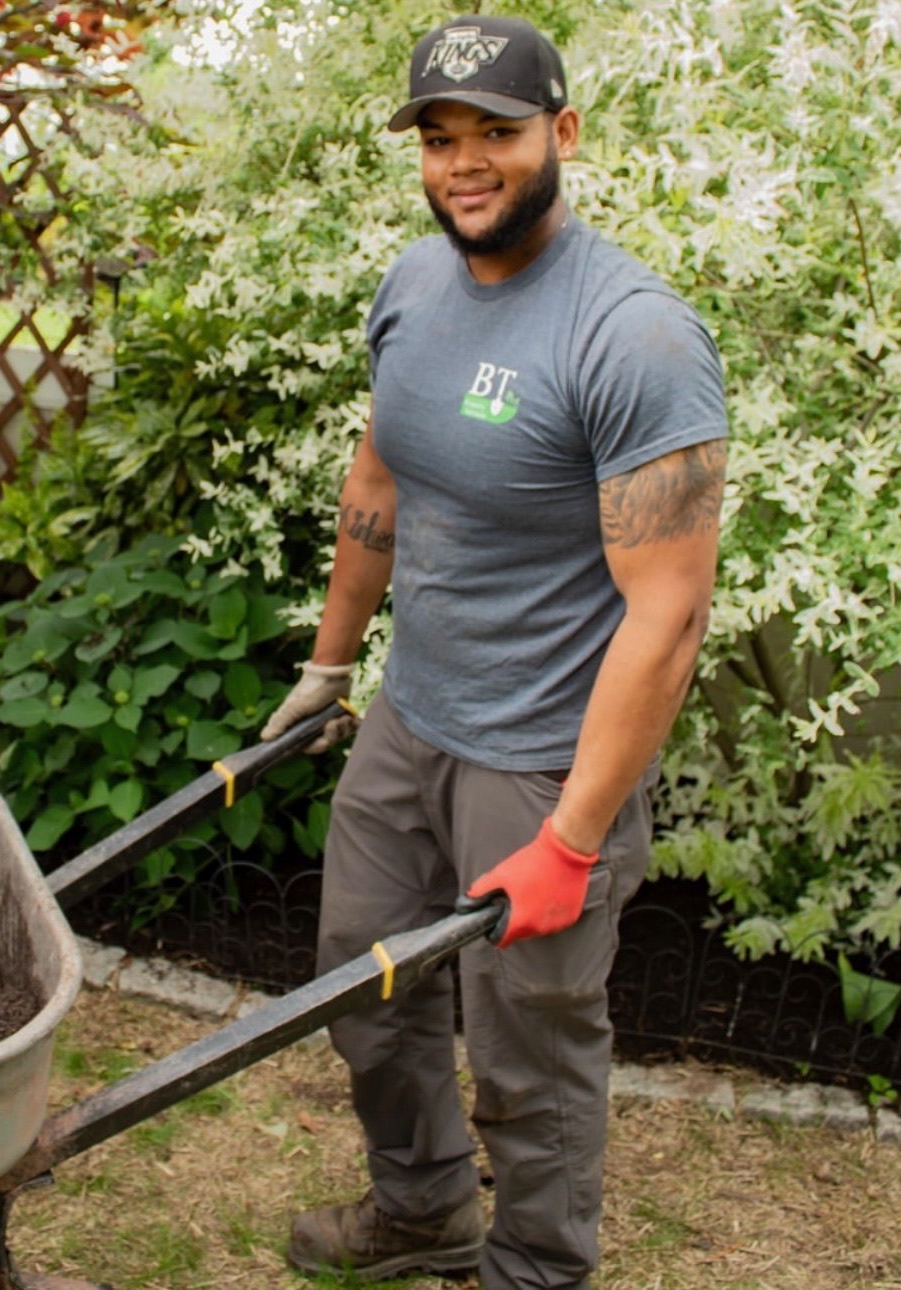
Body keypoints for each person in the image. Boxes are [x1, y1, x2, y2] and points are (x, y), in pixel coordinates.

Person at [258, 13, 729, 1289]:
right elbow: (383, 472)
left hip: (541, 760)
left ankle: (535, 1265)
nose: (467, 162)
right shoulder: (413, 285)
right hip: (410, 722)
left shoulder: (635, 337)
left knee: (533, 1047)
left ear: (562, 134)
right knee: (364, 992)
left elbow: (668, 614)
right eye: (441, 137)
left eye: (499, 134)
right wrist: (330, 665)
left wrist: (572, 838)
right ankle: (423, 1215)